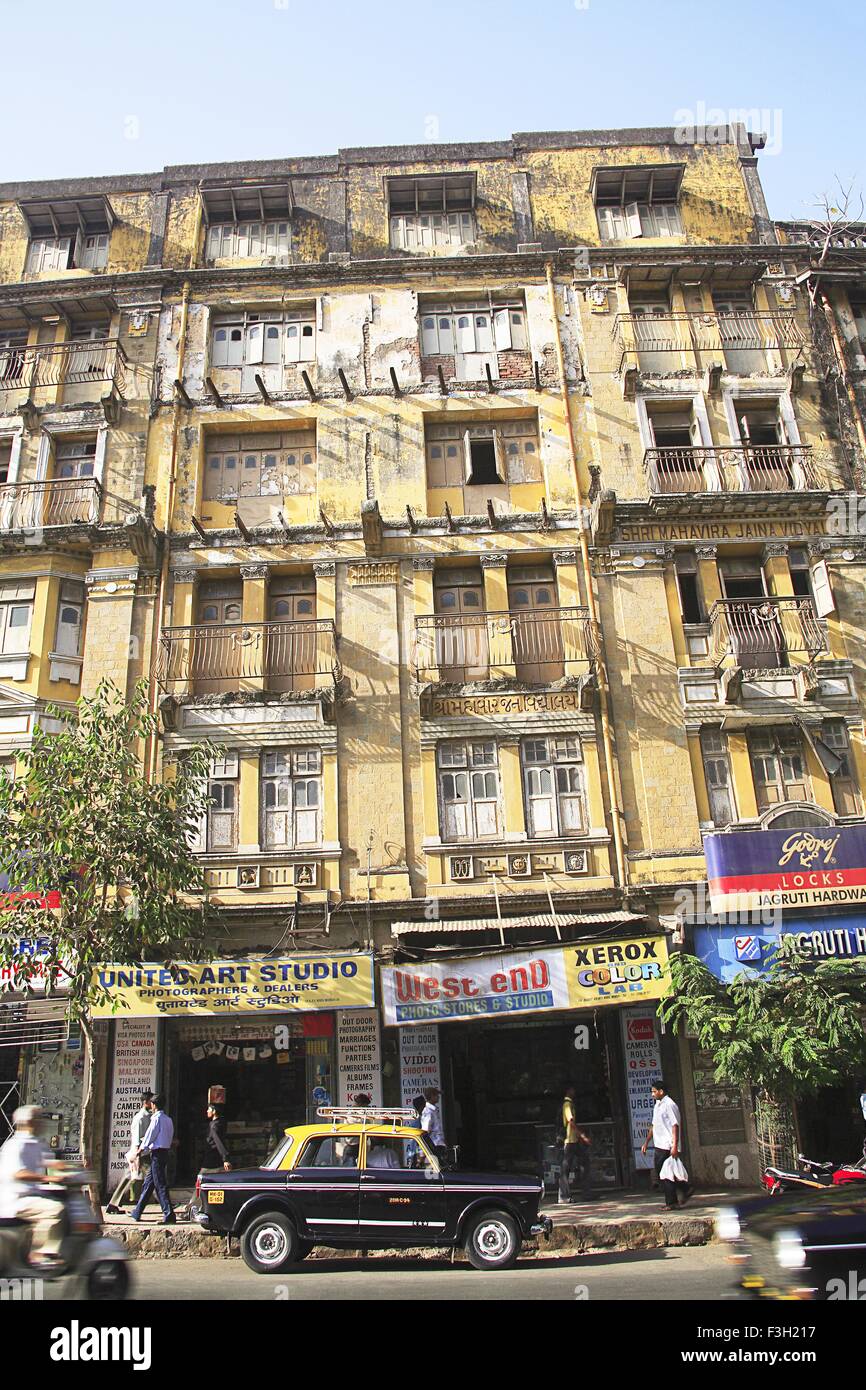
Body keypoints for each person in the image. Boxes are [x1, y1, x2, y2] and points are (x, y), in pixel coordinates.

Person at [0, 1105, 68, 1263]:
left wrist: (72, 1170)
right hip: (16, 1198)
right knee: (55, 1209)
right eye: (37, 1120)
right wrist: (44, 1178)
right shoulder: (16, 1146)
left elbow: (50, 1161)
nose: (41, 1123)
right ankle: (40, 1253)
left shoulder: (37, 1143)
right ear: (28, 1122)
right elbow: (19, 1173)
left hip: (33, 1194)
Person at [642, 1080, 688, 1209]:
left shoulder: (669, 1104)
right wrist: (646, 1142)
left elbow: (675, 1125)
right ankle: (685, 1189)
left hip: (667, 1145)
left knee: (666, 1173)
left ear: (661, 1091)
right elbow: (653, 1125)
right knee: (664, 1172)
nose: (652, 1094)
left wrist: (674, 1146)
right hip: (659, 1144)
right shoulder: (658, 1105)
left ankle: (672, 1202)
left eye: (654, 1091)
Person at [130, 1094, 176, 1225]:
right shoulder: (168, 1119)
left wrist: (140, 1150)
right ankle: (137, 1211)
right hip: (163, 1152)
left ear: (154, 1105)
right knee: (148, 1184)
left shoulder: (156, 1119)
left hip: (157, 1154)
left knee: (160, 1185)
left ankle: (168, 1214)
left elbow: (150, 1136)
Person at [106, 1089, 154, 1214]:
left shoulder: (149, 1116)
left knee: (130, 1176)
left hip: (144, 1152)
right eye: (151, 1101)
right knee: (154, 1177)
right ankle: (166, 1206)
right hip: (140, 1153)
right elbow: (138, 1137)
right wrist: (138, 1153)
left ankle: (113, 1203)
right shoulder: (140, 1118)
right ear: (145, 1102)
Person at [558, 1086, 592, 1204]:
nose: (574, 1091)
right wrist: (582, 1135)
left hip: (574, 1140)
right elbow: (570, 1122)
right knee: (566, 1167)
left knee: (583, 1163)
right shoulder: (567, 1104)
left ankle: (586, 1193)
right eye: (573, 1089)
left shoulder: (570, 1103)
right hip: (570, 1140)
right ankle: (564, 1196)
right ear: (568, 1090)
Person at [205, 1104, 232, 1173]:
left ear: (214, 1111)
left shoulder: (215, 1125)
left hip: (213, 1159)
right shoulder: (218, 1123)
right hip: (214, 1158)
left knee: (202, 1179)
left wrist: (225, 1159)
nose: (207, 1111)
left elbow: (219, 1141)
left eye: (209, 1109)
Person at [420, 1087, 446, 1157]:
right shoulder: (428, 1111)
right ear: (431, 1096)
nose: (438, 1097)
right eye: (436, 1095)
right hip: (434, 1146)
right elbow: (425, 1131)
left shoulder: (434, 1110)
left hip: (438, 1145)